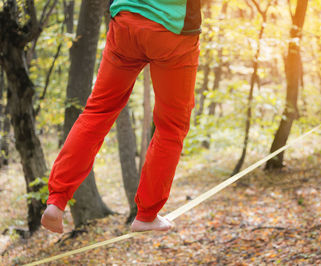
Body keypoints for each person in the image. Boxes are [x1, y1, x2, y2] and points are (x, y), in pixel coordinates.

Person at [41, 0, 202, 233]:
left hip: (126, 19)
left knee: (97, 111)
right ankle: (146, 214)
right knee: (171, 127)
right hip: (173, 28)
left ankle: (56, 201)